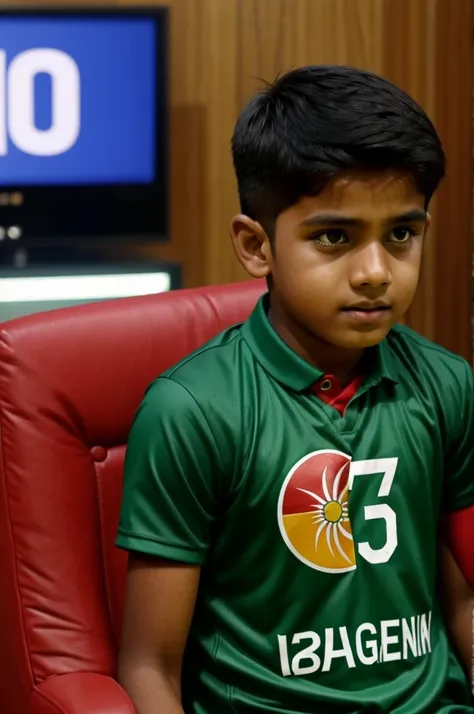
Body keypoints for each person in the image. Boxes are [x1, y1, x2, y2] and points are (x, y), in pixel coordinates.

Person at [116, 65, 474, 713]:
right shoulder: (192, 410)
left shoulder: (449, 384)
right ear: (256, 246)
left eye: (402, 234)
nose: (374, 272)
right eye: (334, 237)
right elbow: (149, 667)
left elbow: (463, 601)